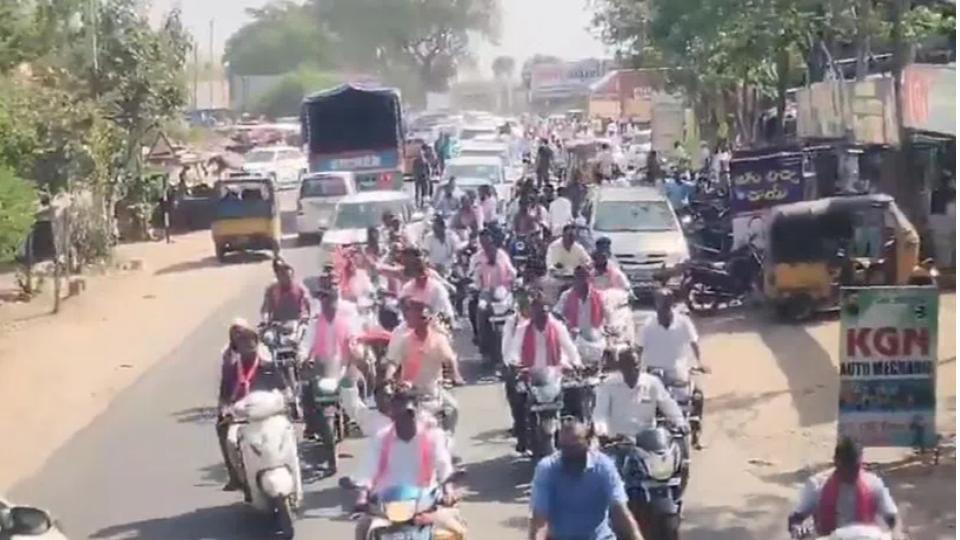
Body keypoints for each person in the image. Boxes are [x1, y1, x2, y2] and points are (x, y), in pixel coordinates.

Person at [352, 386, 465, 540]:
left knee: (456, 530)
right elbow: (368, 468)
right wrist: (362, 495)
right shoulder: (380, 438)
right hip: (386, 506)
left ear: (417, 412)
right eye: (399, 414)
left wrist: (448, 490)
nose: (405, 418)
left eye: (409, 413)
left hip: (426, 503)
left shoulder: (433, 436)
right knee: (363, 529)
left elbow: (443, 464)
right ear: (391, 415)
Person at [528, 419, 643, 540]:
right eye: (565, 448)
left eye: (575, 447)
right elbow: (539, 521)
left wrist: (636, 536)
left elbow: (620, 510)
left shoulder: (604, 466)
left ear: (588, 443)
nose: (571, 454)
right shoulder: (547, 469)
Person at [217, 319, 285, 492]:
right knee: (231, 442)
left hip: (269, 414)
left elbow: (283, 389)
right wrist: (225, 410)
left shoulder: (267, 366)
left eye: (250, 341)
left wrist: (288, 401)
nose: (248, 345)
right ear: (236, 347)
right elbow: (224, 397)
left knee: (286, 436)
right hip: (244, 418)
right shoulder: (232, 369)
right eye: (242, 342)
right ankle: (239, 477)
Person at [788, 437, 898, 537]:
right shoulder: (817, 484)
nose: (851, 473)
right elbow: (796, 518)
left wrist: (893, 533)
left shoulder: (873, 483)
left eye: (855, 468)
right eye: (847, 468)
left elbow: (892, 516)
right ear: (836, 462)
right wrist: (797, 528)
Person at [383, 301, 465, 433]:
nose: (422, 321)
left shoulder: (438, 339)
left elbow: (450, 359)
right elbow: (393, 362)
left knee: (453, 409)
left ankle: (447, 440)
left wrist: (456, 375)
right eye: (418, 318)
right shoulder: (404, 340)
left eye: (424, 317)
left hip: (433, 391)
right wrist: (388, 378)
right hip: (409, 391)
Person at [638, 289, 707, 442]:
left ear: (671, 303)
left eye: (665, 303)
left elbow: (694, 343)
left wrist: (699, 362)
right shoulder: (648, 325)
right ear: (656, 304)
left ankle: (696, 430)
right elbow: (639, 348)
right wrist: (637, 367)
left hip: (678, 371)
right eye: (659, 302)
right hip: (654, 372)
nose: (662, 306)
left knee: (697, 395)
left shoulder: (683, 322)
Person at [304, 273, 363, 436]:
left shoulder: (346, 317)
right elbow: (307, 344)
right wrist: (304, 358)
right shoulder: (316, 322)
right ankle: (310, 425)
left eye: (329, 298)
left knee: (354, 388)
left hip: (344, 365)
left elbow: (355, 337)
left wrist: (354, 349)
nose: (326, 302)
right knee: (306, 390)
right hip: (323, 367)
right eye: (322, 298)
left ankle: (359, 421)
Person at [593, 348, 686, 440]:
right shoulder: (608, 385)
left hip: (648, 440)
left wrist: (680, 423)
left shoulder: (652, 383)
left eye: (636, 367)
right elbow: (600, 414)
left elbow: (668, 404)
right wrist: (602, 432)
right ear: (620, 368)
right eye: (628, 367)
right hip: (618, 442)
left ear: (640, 366)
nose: (633, 371)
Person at [469, 228, 517, 342]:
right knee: (481, 308)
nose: (486, 246)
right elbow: (473, 276)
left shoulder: (502, 255)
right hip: (485, 292)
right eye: (483, 243)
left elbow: (512, 273)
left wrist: (510, 281)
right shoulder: (477, 258)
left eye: (488, 242)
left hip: (503, 290)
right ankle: (483, 342)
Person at [399, 255, 456, 324]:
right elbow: (403, 312)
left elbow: (445, 315)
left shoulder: (437, 288)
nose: (421, 277)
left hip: (436, 325)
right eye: (417, 274)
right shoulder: (407, 288)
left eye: (422, 273)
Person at [556, 265, 610, 335]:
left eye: (583, 277)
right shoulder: (566, 295)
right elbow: (557, 313)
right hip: (573, 336)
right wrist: (564, 323)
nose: (580, 280)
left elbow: (607, 315)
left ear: (589, 278)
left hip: (594, 338)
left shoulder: (599, 296)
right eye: (577, 277)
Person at [260, 258, 310, 323]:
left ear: (292, 276)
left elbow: (306, 304)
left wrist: (306, 315)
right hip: (277, 323)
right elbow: (265, 308)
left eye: (288, 276)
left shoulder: (300, 288)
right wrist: (265, 317)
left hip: (296, 322)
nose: (286, 279)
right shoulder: (271, 289)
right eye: (282, 275)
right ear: (277, 276)